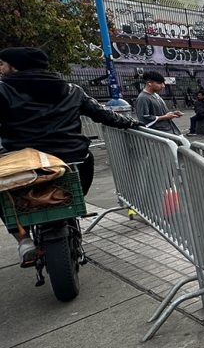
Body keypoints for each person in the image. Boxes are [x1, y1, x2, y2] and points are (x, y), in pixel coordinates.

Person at [0, 47, 141, 263]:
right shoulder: (70, 89)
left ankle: (23, 239)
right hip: (72, 158)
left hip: (23, 163)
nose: (0, 69)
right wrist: (130, 123)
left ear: (14, 66)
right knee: (86, 162)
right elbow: (102, 114)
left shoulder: (3, 90)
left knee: (3, 191)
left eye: (2, 64)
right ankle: (74, 204)